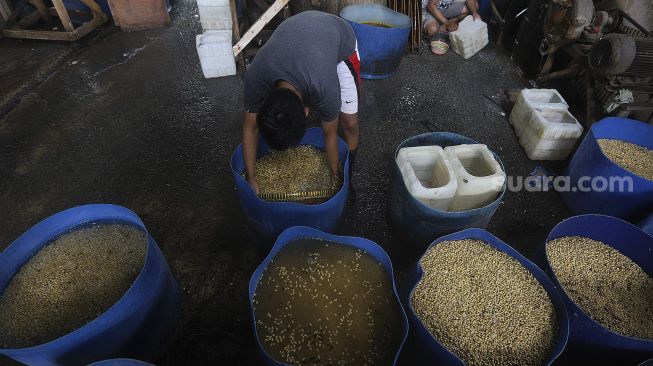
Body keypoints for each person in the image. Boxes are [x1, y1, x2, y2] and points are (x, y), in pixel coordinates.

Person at [241, 10, 361, 201]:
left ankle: (349, 175)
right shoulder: (256, 77)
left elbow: (330, 134)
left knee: (349, 123)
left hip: (337, 36)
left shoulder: (323, 89)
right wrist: (251, 177)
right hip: (301, 34)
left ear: (307, 110)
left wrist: (335, 179)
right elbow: (250, 126)